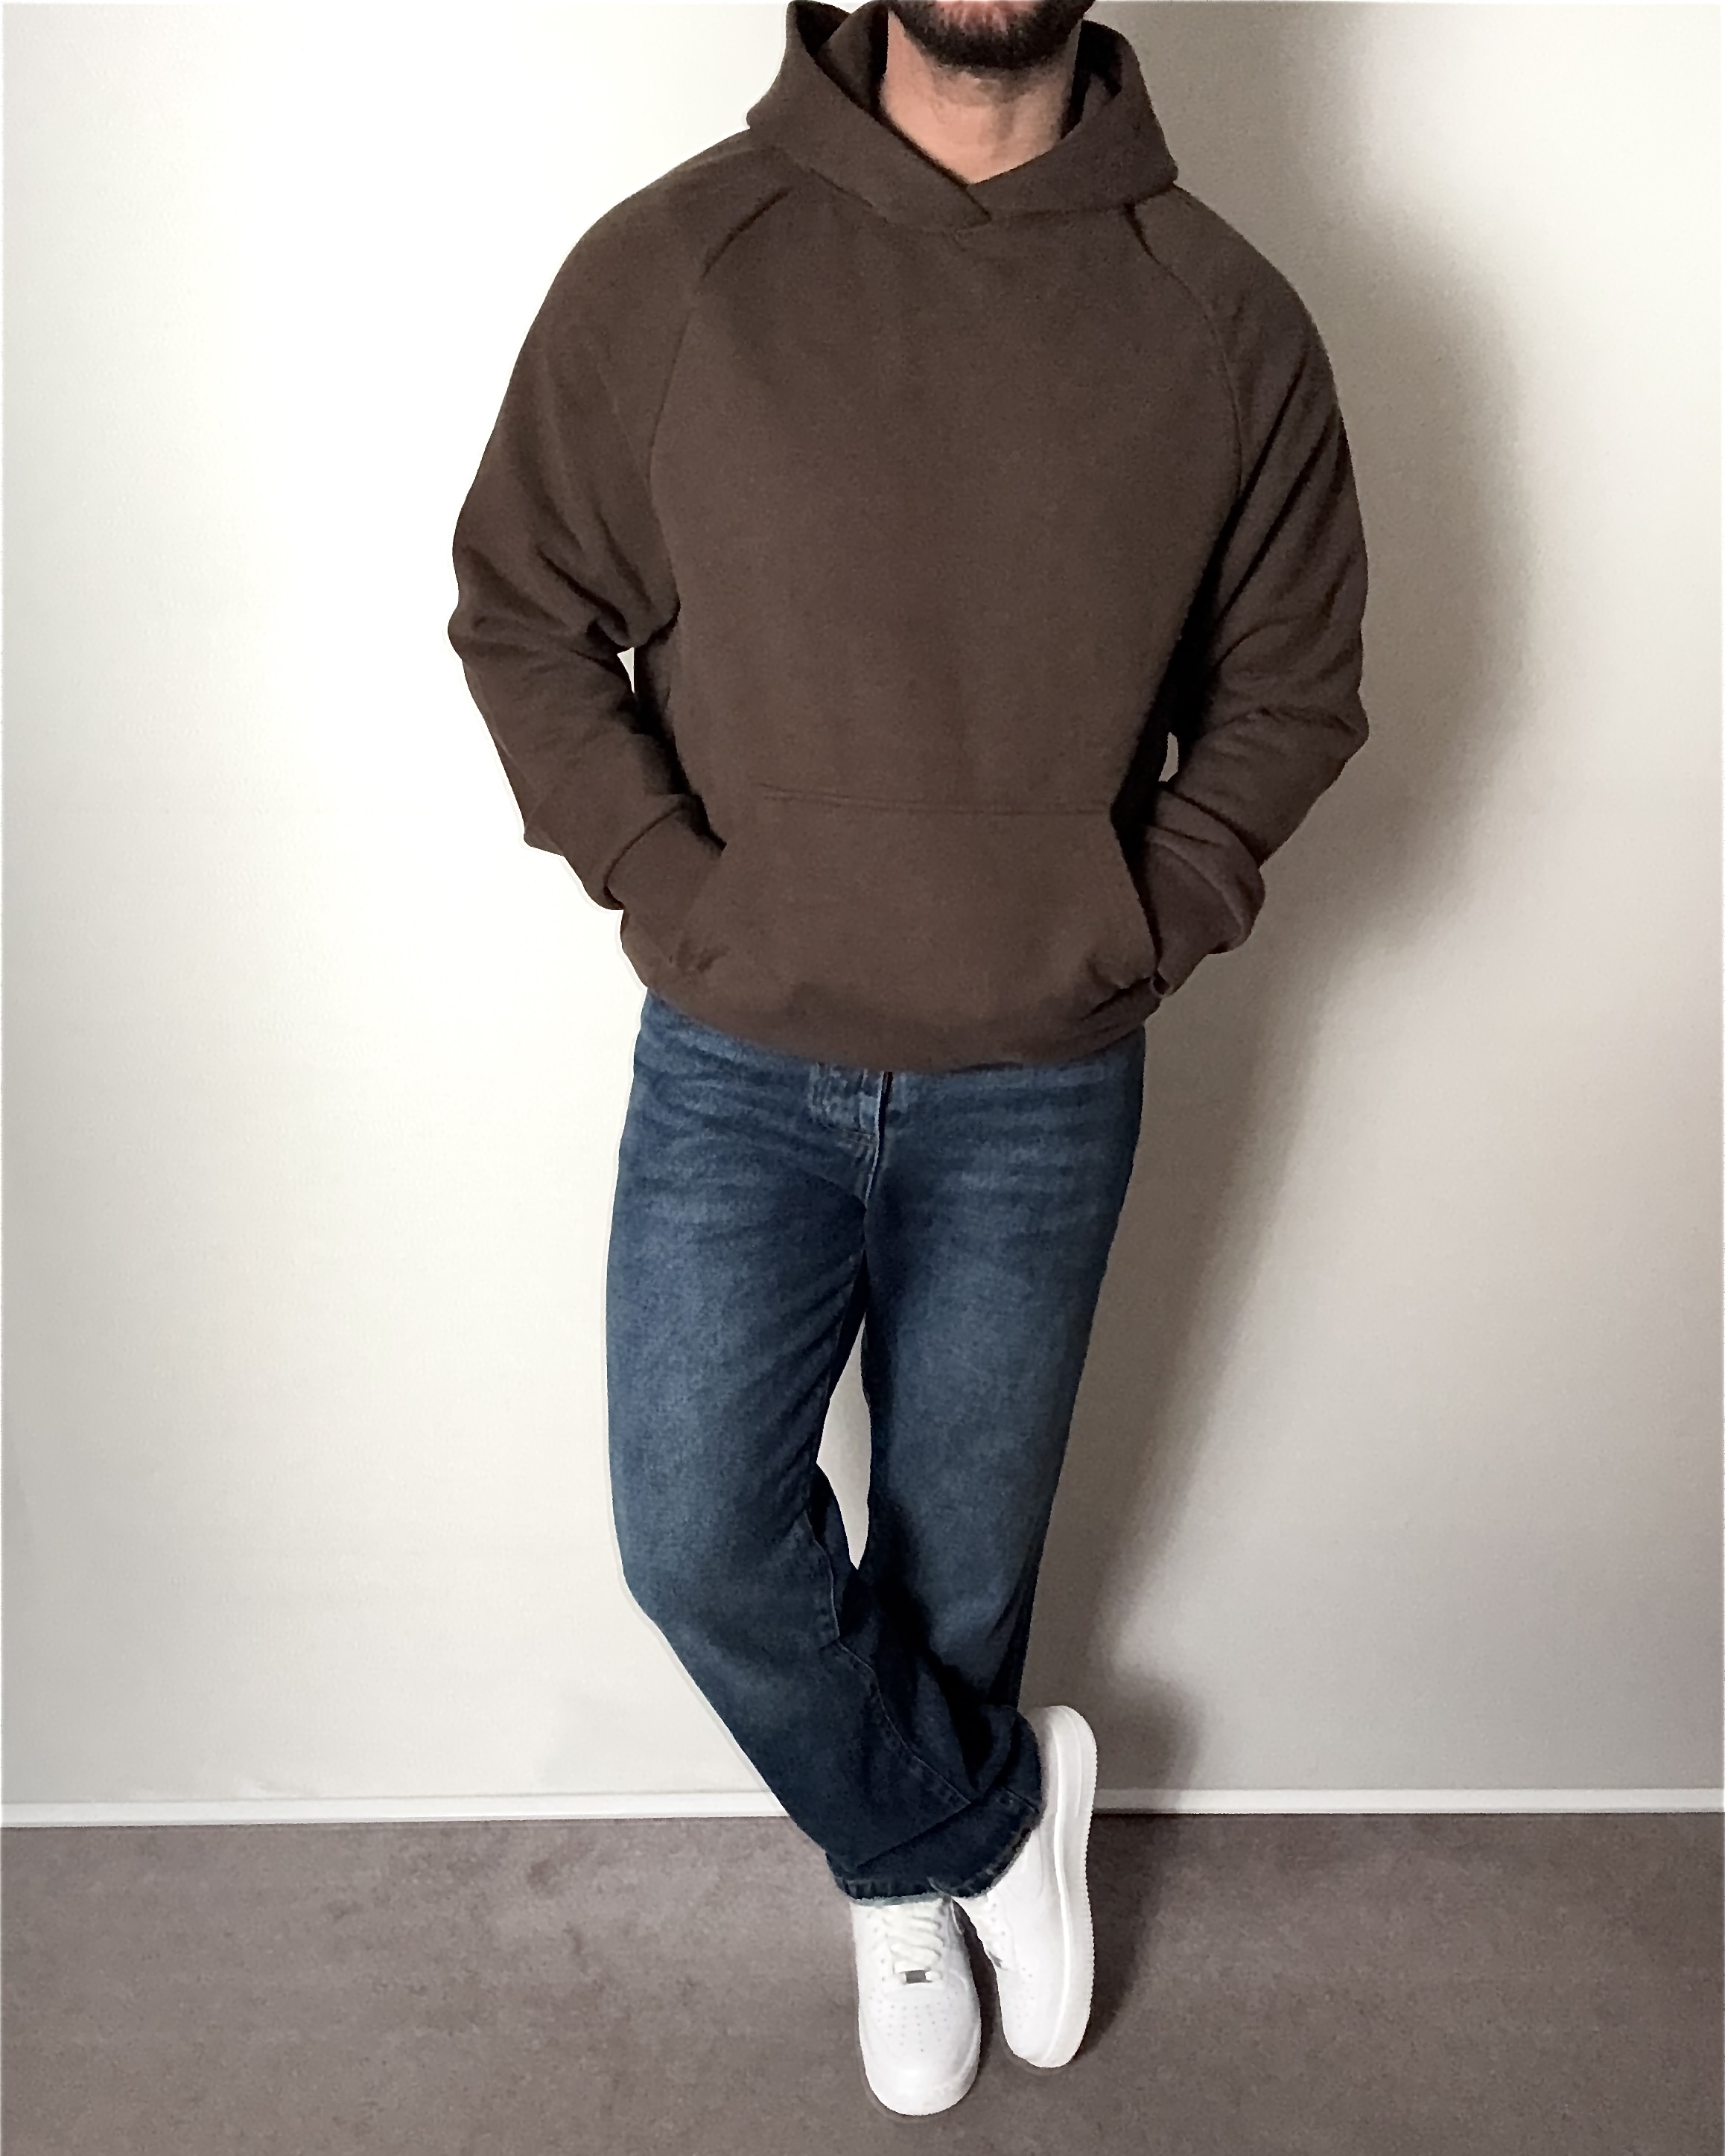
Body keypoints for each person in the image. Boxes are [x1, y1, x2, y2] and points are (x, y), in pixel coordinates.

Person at [446, 0, 1368, 2117]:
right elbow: (522, 606)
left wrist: (1135, 915)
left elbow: (1294, 685)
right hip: (738, 1054)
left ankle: (905, 1877)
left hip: (1042, 1070)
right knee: (698, 1536)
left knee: (960, 1564)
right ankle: (973, 1830)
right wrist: (677, 892)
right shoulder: (679, 261)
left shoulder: (1220, 312)